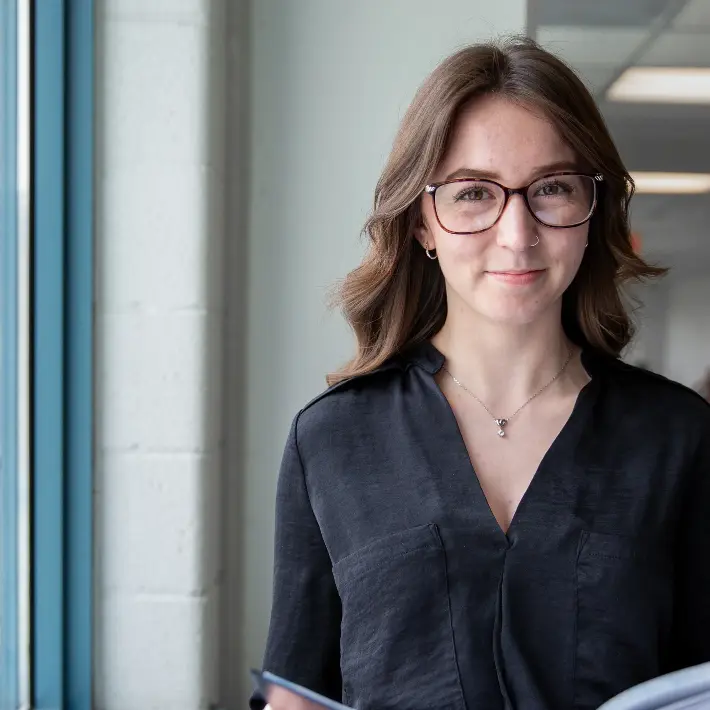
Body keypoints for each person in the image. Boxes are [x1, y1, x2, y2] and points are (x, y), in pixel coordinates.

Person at [251, 37, 710, 710]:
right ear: (422, 223)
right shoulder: (333, 439)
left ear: (593, 210)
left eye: (552, 187)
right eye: (473, 193)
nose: (516, 233)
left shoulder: (678, 436)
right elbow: (295, 693)